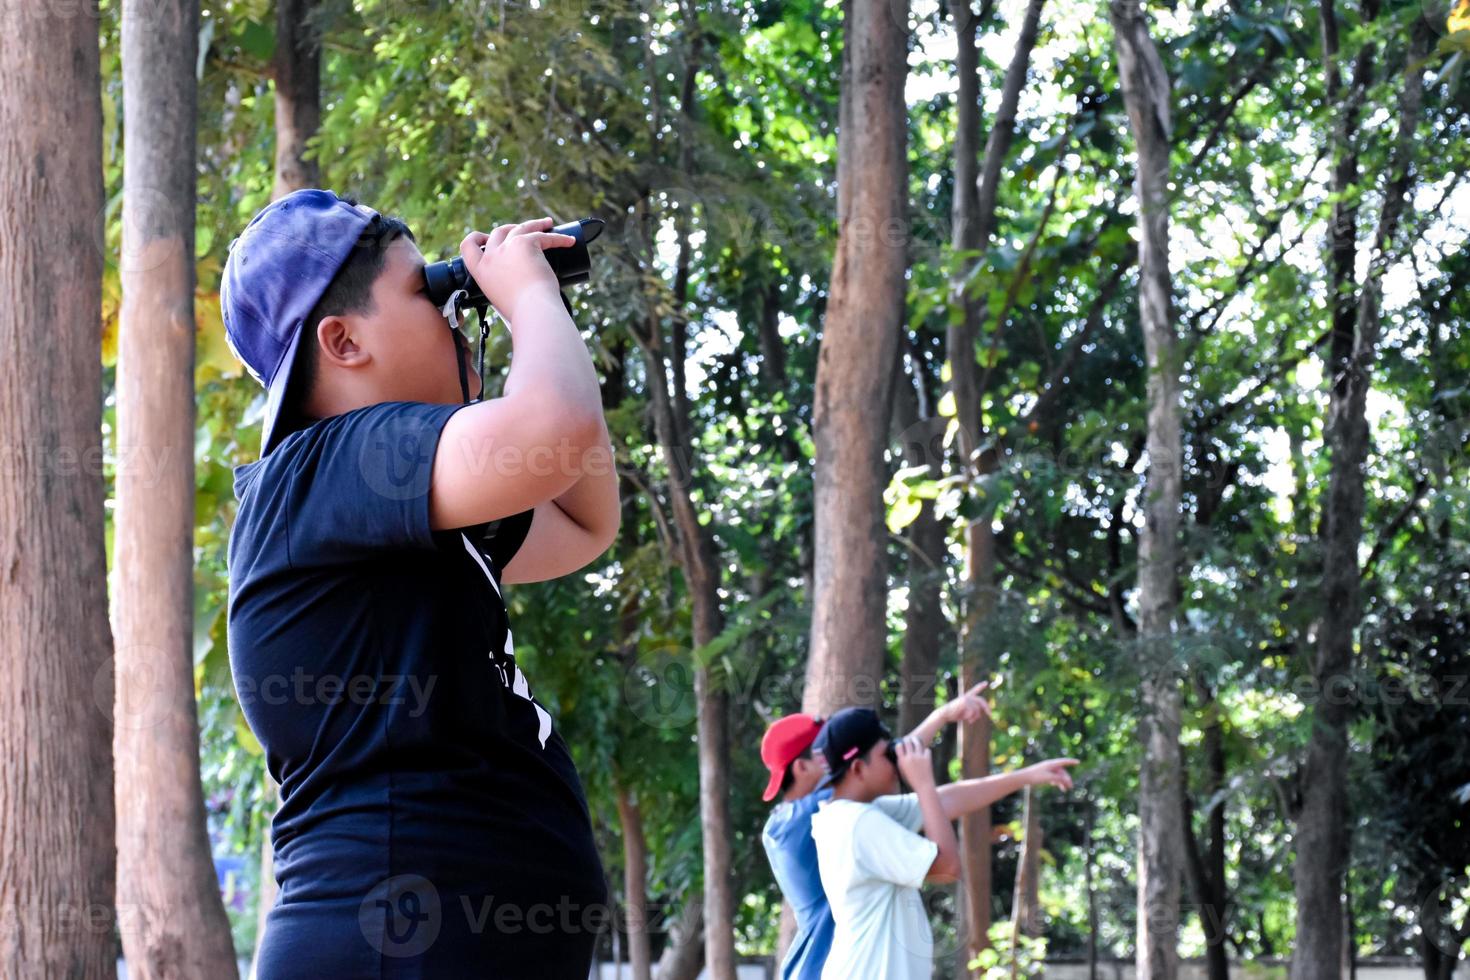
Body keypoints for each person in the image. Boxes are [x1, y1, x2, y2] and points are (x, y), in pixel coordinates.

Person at [223, 189, 620, 978]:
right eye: (424, 291)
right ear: (341, 341)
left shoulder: (387, 500)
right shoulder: (328, 466)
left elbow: (583, 520)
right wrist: (528, 295)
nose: (448, 309)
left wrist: (522, 320)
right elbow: (554, 435)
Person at [809, 707, 1079, 980]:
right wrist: (922, 783)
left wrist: (1026, 776)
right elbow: (947, 867)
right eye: (886, 755)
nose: (896, 763)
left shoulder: (847, 815)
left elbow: (947, 800)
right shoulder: (860, 823)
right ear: (858, 767)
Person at [759, 684, 992, 980]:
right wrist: (940, 717)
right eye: (821, 753)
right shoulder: (811, 817)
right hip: (822, 965)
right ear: (802, 768)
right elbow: (883, 761)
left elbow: (888, 766)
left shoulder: (790, 822)